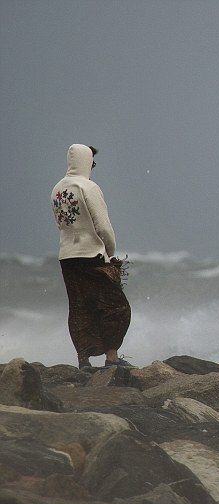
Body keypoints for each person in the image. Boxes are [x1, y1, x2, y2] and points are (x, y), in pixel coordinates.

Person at [51, 144, 132, 370]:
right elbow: (103, 226)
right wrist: (110, 252)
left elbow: (60, 223)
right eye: (92, 163)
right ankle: (112, 358)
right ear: (87, 162)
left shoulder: (57, 189)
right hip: (91, 254)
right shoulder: (88, 187)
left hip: (66, 256)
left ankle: (83, 360)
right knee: (116, 306)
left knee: (80, 307)